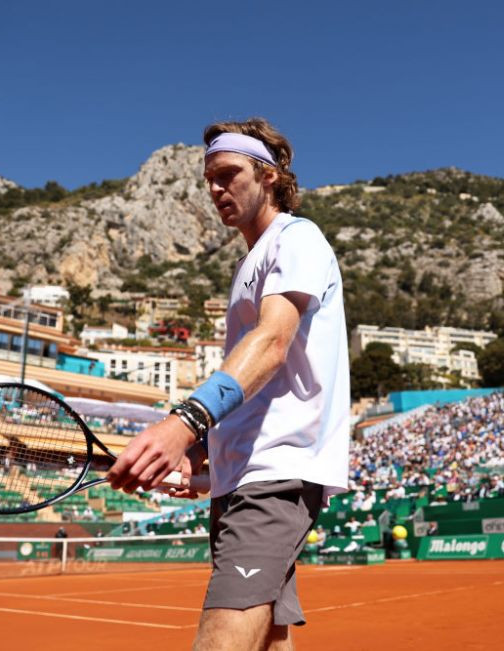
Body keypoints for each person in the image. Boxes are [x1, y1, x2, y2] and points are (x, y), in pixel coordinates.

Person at [107, 117, 350, 649]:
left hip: (276, 475)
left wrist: (184, 426)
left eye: (228, 173)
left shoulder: (297, 236)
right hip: (244, 478)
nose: (215, 188)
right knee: (269, 641)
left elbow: (272, 343)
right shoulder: (250, 261)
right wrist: (203, 462)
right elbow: (263, 384)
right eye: (209, 178)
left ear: (268, 176)